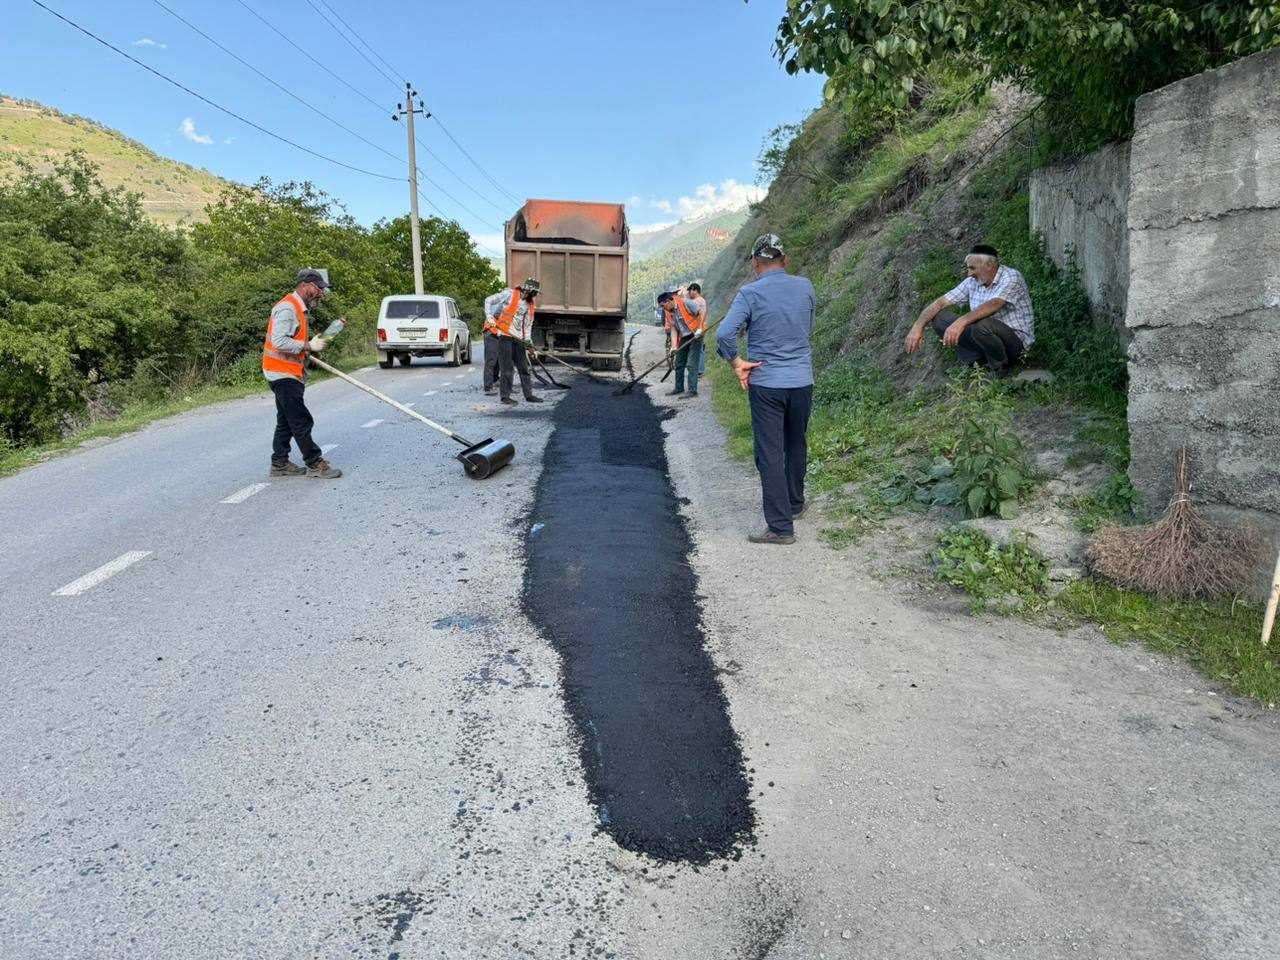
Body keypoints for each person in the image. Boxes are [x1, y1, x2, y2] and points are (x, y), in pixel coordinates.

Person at [717, 234, 815, 545]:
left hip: (766, 383)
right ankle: (795, 504)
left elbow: (724, 334)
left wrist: (737, 363)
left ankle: (780, 527)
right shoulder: (805, 286)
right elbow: (806, 327)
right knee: (796, 443)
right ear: (785, 260)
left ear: (755, 264)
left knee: (770, 452)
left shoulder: (749, 293)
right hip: (802, 380)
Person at [903, 244, 1035, 377]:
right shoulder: (972, 282)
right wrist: (918, 326)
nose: (969, 273)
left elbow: (995, 304)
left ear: (989, 265)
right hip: (986, 338)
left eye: (972, 268)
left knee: (982, 325)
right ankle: (977, 362)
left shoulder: (1012, 277)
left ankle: (1001, 368)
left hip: (1016, 345)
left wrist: (961, 322)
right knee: (940, 318)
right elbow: (940, 302)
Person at [262, 269, 342, 479]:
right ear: (306, 285)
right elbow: (279, 341)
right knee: (300, 420)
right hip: (282, 373)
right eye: (319, 289)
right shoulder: (289, 308)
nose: (321, 295)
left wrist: (307, 346)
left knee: (286, 420)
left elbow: (290, 340)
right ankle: (315, 464)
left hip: (286, 372)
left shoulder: (298, 307)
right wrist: (309, 345)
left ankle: (279, 464)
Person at [483, 278, 544, 406]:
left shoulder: (530, 304)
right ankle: (505, 396)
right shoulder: (510, 294)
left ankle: (529, 395)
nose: (535, 296)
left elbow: (528, 326)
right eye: (534, 293)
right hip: (505, 336)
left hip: (519, 339)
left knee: (523, 368)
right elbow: (488, 300)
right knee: (507, 368)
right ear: (528, 290)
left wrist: (529, 345)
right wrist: (490, 317)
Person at [661, 287, 705, 398]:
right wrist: (674, 346)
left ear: (669, 301)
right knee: (679, 363)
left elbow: (702, 311)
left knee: (691, 363)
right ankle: (679, 388)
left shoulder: (686, 303)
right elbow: (674, 328)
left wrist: (700, 328)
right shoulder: (668, 312)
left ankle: (692, 390)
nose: (663, 308)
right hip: (684, 337)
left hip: (696, 334)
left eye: (663, 305)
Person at [687, 282, 708, 377]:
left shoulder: (698, 300)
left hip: (699, 328)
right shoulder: (700, 300)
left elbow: (687, 307)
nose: (689, 293)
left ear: (695, 290)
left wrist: (686, 297)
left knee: (699, 349)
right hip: (700, 327)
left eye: (690, 291)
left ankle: (699, 370)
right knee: (699, 349)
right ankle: (699, 369)